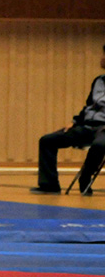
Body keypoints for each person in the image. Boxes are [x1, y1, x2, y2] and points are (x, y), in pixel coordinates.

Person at [32, 43, 105, 195]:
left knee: (99, 145)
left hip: (103, 128)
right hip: (86, 126)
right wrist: (74, 121)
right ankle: (49, 185)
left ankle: (85, 177)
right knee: (47, 140)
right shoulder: (98, 81)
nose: (102, 59)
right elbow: (88, 106)